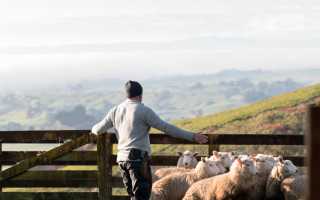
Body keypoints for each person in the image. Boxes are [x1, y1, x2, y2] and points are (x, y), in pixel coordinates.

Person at [91, 80, 208, 200]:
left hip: (122, 161)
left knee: (133, 196)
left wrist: (92, 130)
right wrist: (191, 136)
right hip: (138, 161)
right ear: (140, 95)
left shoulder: (115, 111)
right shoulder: (144, 111)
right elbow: (166, 128)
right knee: (142, 197)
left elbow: (98, 129)